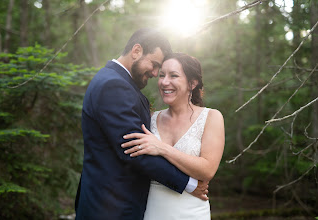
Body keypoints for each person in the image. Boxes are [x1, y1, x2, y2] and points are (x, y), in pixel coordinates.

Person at [74, 29, 208, 220]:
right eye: (154, 65)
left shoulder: (117, 82)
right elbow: (135, 149)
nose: (155, 74)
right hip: (110, 208)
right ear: (136, 51)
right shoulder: (113, 85)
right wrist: (188, 184)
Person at [122, 53, 225, 219]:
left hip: (192, 212)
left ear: (192, 83)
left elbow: (207, 170)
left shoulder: (212, 117)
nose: (164, 82)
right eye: (162, 75)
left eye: (174, 75)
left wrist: (162, 148)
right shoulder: (150, 118)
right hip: (151, 211)